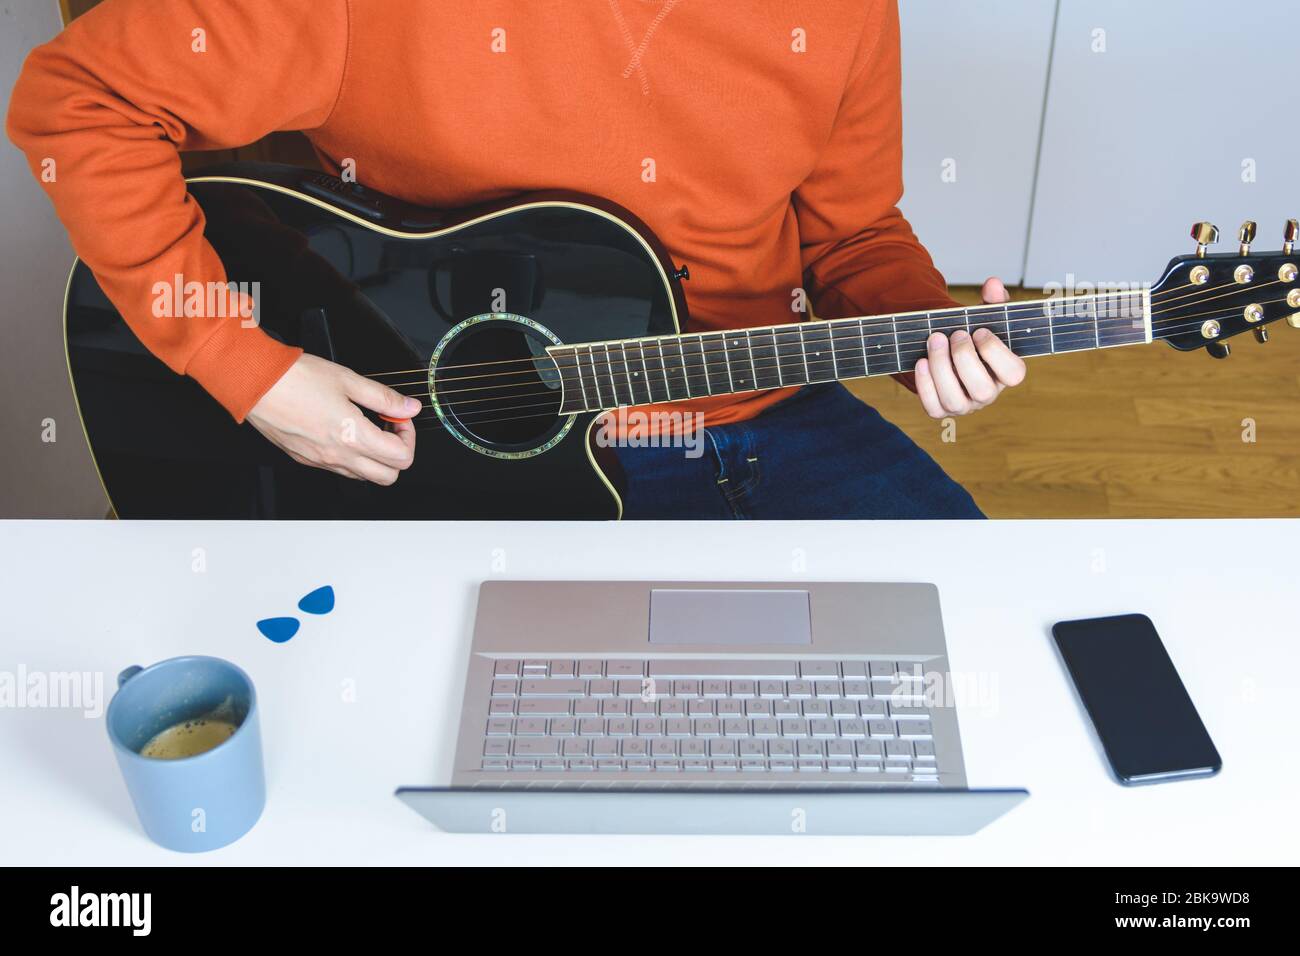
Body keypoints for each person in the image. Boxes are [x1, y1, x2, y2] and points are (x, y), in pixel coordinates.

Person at [7, 0, 1024, 518]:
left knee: (964, 667)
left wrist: (932, 333)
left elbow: (852, 235)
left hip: (769, 409)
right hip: (460, 449)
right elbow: (74, 102)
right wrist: (250, 369)